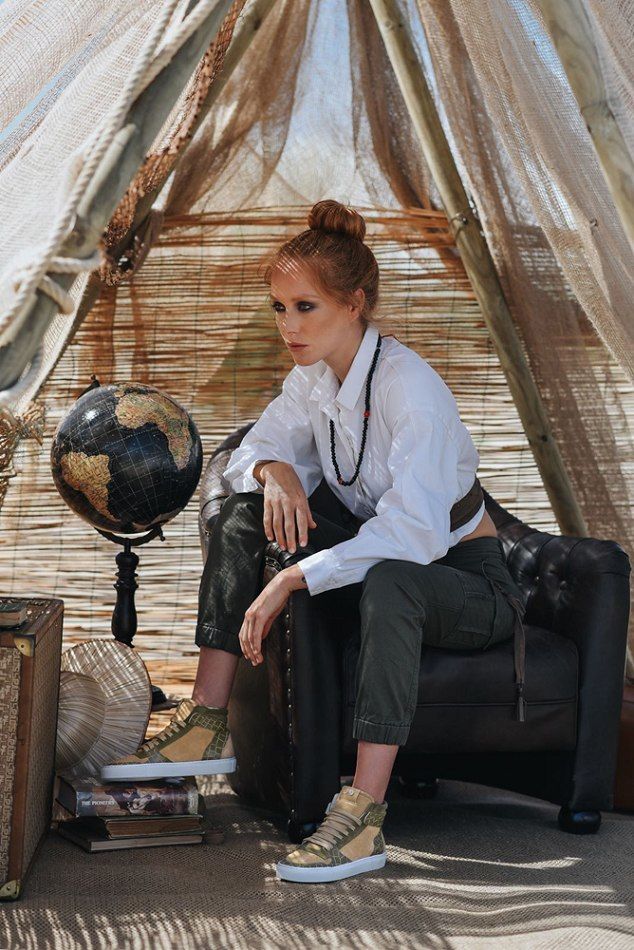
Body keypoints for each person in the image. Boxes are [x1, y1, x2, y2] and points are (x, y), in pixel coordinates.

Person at [100, 199, 526, 884]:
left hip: (469, 583)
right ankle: (206, 720)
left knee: (391, 577)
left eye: (306, 307)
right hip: (382, 562)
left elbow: (414, 535)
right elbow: (254, 449)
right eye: (279, 307)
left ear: (355, 305)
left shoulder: (412, 391)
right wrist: (275, 473)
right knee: (244, 511)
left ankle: (362, 815)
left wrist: (293, 576)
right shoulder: (313, 377)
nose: (288, 326)